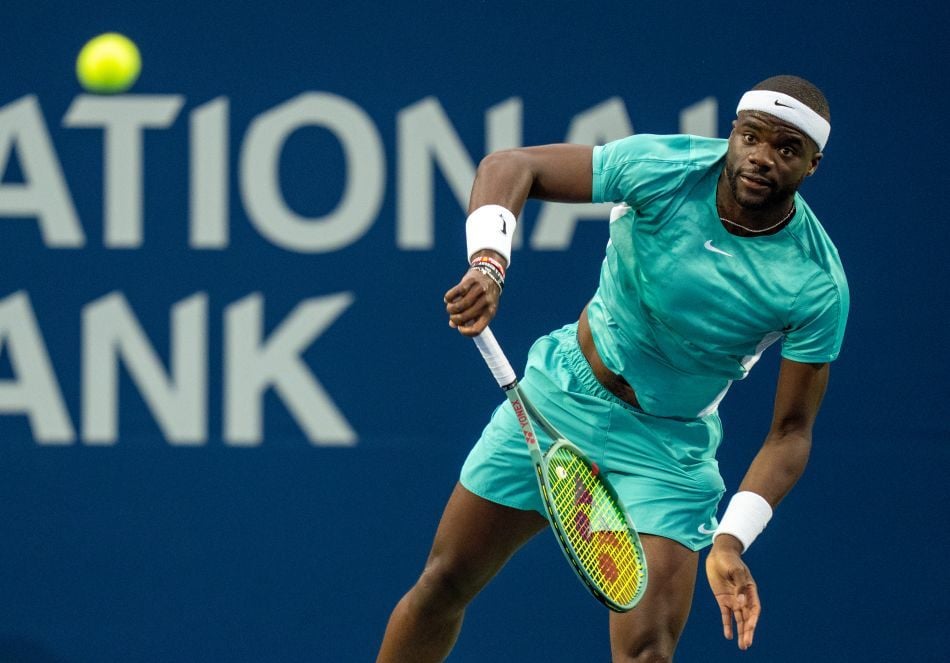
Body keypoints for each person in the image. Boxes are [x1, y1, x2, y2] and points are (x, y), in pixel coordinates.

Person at [376, 75, 848, 661]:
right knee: (444, 581)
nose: (761, 158)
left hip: (667, 451)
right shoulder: (663, 167)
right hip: (560, 398)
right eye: (751, 137)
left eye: (786, 149)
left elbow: (791, 433)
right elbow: (511, 165)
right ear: (731, 134)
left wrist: (731, 539)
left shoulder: (815, 283)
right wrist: (489, 265)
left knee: (647, 652)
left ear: (811, 166)